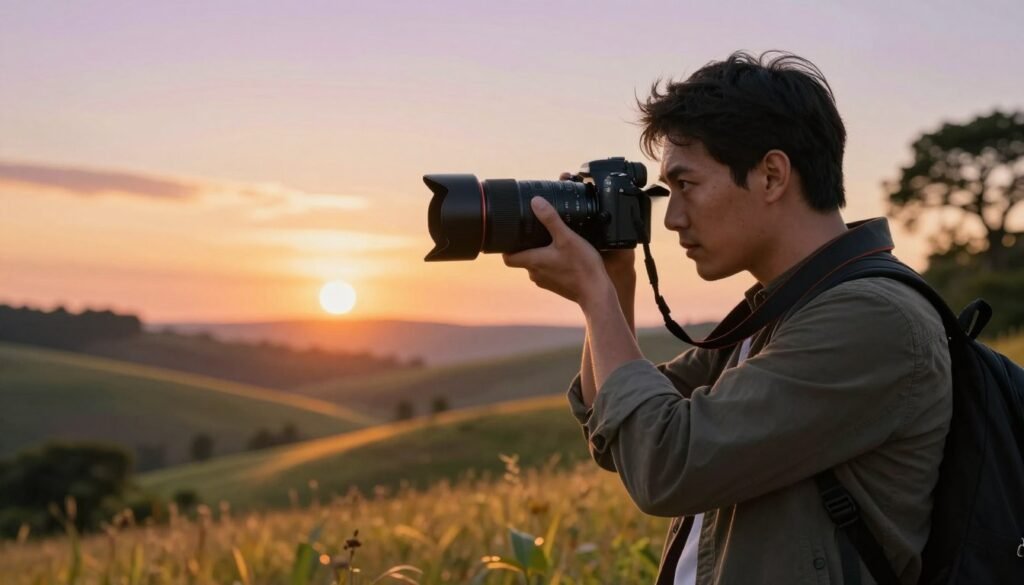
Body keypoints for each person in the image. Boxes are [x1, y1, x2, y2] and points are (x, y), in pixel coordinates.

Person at [502, 51, 952, 584]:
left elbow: (663, 465)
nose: (670, 218)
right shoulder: (784, 310)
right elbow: (620, 433)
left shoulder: (871, 320)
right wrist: (615, 282)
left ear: (771, 175)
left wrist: (596, 298)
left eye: (685, 185)